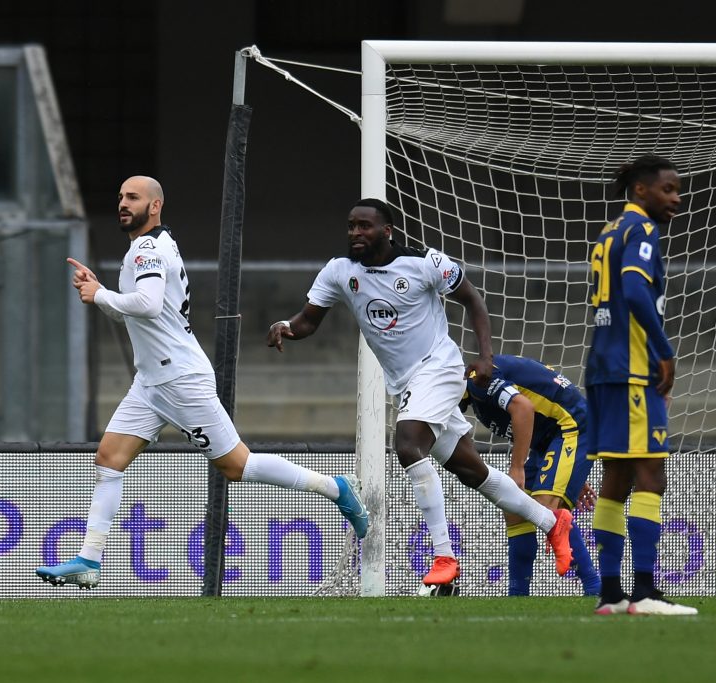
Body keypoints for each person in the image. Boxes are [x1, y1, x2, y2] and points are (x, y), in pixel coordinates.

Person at [35, 175, 369, 589]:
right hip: (152, 380)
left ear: (154, 205)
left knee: (237, 465)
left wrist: (100, 294)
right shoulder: (148, 248)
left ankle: (334, 488)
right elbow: (133, 313)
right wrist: (99, 292)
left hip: (178, 377)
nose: (123, 203)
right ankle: (89, 559)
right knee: (108, 459)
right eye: (120, 196)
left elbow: (148, 305)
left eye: (133, 197)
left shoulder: (148, 248)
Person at [267, 198, 573, 590]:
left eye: (365, 227)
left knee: (408, 443)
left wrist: (484, 357)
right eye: (351, 227)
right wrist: (285, 327)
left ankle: (444, 556)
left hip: (440, 368)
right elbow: (307, 321)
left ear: (387, 231)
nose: (356, 234)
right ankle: (552, 522)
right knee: (471, 471)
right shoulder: (339, 272)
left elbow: (473, 300)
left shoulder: (424, 263)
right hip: (407, 383)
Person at [586, 156, 697, 616]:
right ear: (640, 191)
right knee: (652, 473)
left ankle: (611, 595)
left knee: (617, 478)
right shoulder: (642, 231)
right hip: (632, 369)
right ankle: (646, 593)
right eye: (668, 189)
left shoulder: (609, 232)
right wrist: (665, 351)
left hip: (602, 368)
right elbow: (633, 289)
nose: (676, 198)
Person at [460, 354, 600, 596]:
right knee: (515, 509)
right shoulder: (474, 390)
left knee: (544, 507)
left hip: (573, 426)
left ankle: (594, 586)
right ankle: (517, 594)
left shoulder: (478, 381)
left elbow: (524, 409)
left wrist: (517, 466)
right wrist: (572, 473)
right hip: (550, 438)